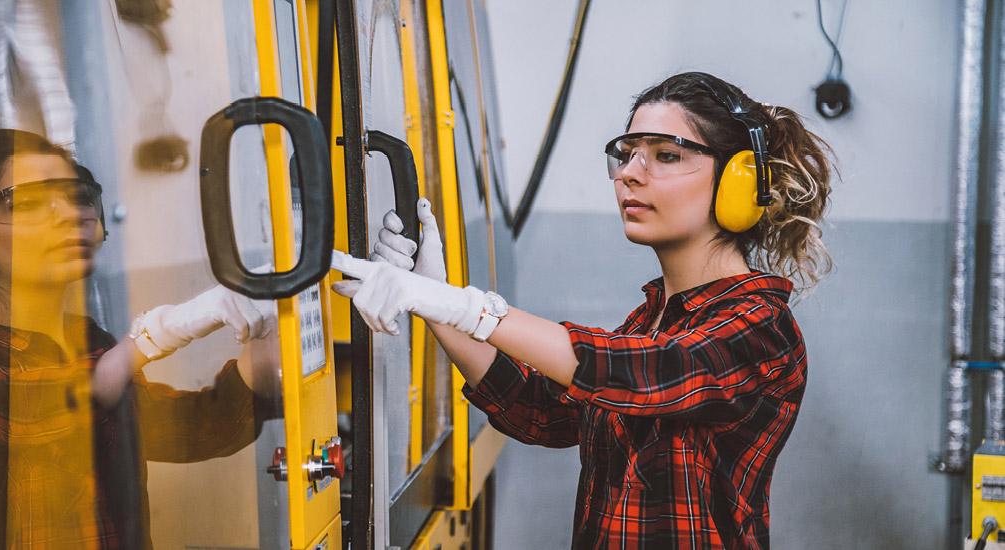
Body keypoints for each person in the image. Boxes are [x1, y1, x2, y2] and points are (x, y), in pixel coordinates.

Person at [332, 72, 832, 549]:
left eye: (665, 155)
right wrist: (435, 300)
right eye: (627, 154)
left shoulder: (761, 326)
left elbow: (640, 372)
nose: (630, 175)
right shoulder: (649, 322)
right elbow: (543, 413)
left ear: (739, 183)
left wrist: (465, 305)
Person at [0, 129, 276, 549]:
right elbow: (52, 419)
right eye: (26, 202)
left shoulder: (89, 344)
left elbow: (190, 431)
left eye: (76, 196)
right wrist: (158, 335)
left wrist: (267, 342)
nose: (69, 214)